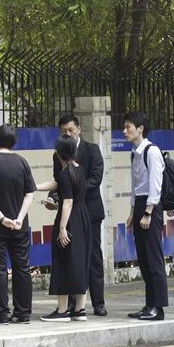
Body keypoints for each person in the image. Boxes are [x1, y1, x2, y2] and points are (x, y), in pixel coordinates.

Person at [46, 115, 107, 315]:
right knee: (69, 257)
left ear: (79, 129)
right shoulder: (58, 155)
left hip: (89, 210)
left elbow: (95, 179)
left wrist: (74, 190)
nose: (68, 133)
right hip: (69, 212)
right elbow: (59, 181)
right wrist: (54, 197)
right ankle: (72, 305)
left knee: (92, 257)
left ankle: (98, 303)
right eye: (64, 131)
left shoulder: (92, 150)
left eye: (71, 130)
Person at [0, 124, 36, 325]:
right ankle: (23, 313)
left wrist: (2, 218)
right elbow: (29, 194)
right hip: (21, 225)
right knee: (22, 267)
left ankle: (1, 313)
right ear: (14, 141)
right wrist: (19, 218)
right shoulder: (22, 162)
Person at [36, 134, 92, 322]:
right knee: (80, 261)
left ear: (60, 152)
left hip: (70, 219)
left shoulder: (65, 173)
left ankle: (62, 311)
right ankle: (80, 309)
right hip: (83, 218)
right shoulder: (79, 169)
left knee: (62, 262)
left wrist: (62, 229)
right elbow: (58, 184)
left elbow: (67, 201)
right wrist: (34, 186)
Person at [124, 111, 168, 321]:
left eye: (128, 127)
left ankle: (158, 307)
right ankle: (149, 304)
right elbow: (135, 186)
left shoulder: (152, 151)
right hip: (140, 205)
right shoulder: (135, 153)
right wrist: (133, 211)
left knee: (153, 257)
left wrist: (148, 212)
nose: (125, 131)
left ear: (140, 128)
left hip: (151, 206)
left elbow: (155, 184)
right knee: (143, 258)